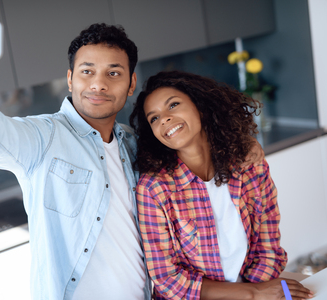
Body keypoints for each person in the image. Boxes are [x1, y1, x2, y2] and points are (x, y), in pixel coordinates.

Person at [0, 17, 264, 299]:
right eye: (87, 71)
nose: (98, 83)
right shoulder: (43, 138)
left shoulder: (135, 145)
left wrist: (244, 145)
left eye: (113, 73)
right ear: (70, 79)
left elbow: (194, 149)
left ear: (130, 85)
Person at [129, 70, 314, 300]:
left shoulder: (249, 164)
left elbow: (268, 246)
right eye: (153, 118)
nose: (164, 118)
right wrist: (253, 294)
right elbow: (168, 280)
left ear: (201, 107)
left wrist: (260, 291)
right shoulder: (154, 189)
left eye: (173, 105)